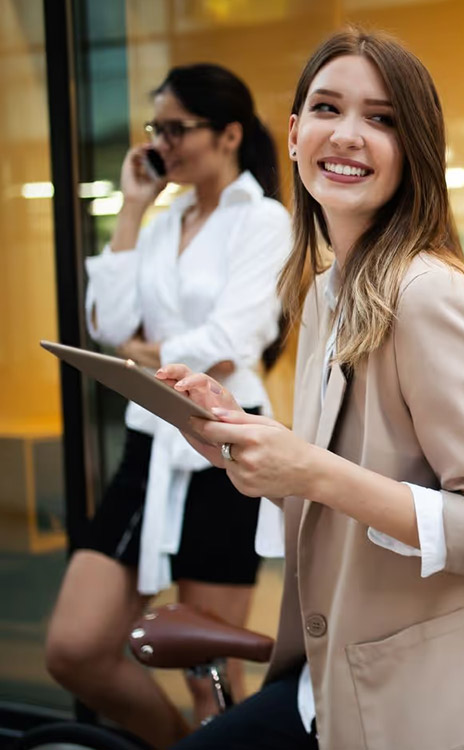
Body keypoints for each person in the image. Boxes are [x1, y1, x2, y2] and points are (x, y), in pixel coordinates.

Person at [157, 29, 464, 750]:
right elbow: (337, 487)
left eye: (382, 119)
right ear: (291, 133)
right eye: (327, 108)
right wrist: (240, 440)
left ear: (416, 151)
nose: (347, 136)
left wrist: (307, 468)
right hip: (330, 678)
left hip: (419, 704)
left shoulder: (430, 295)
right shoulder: (323, 294)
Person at [43, 64, 290, 748]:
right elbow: (107, 320)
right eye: (157, 129)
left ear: (230, 134)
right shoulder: (161, 221)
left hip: (223, 449)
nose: (162, 144)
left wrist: (145, 353)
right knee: (74, 647)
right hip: (149, 447)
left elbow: (229, 343)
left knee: (207, 673)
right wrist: (130, 207)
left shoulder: (264, 221)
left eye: (177, 129)